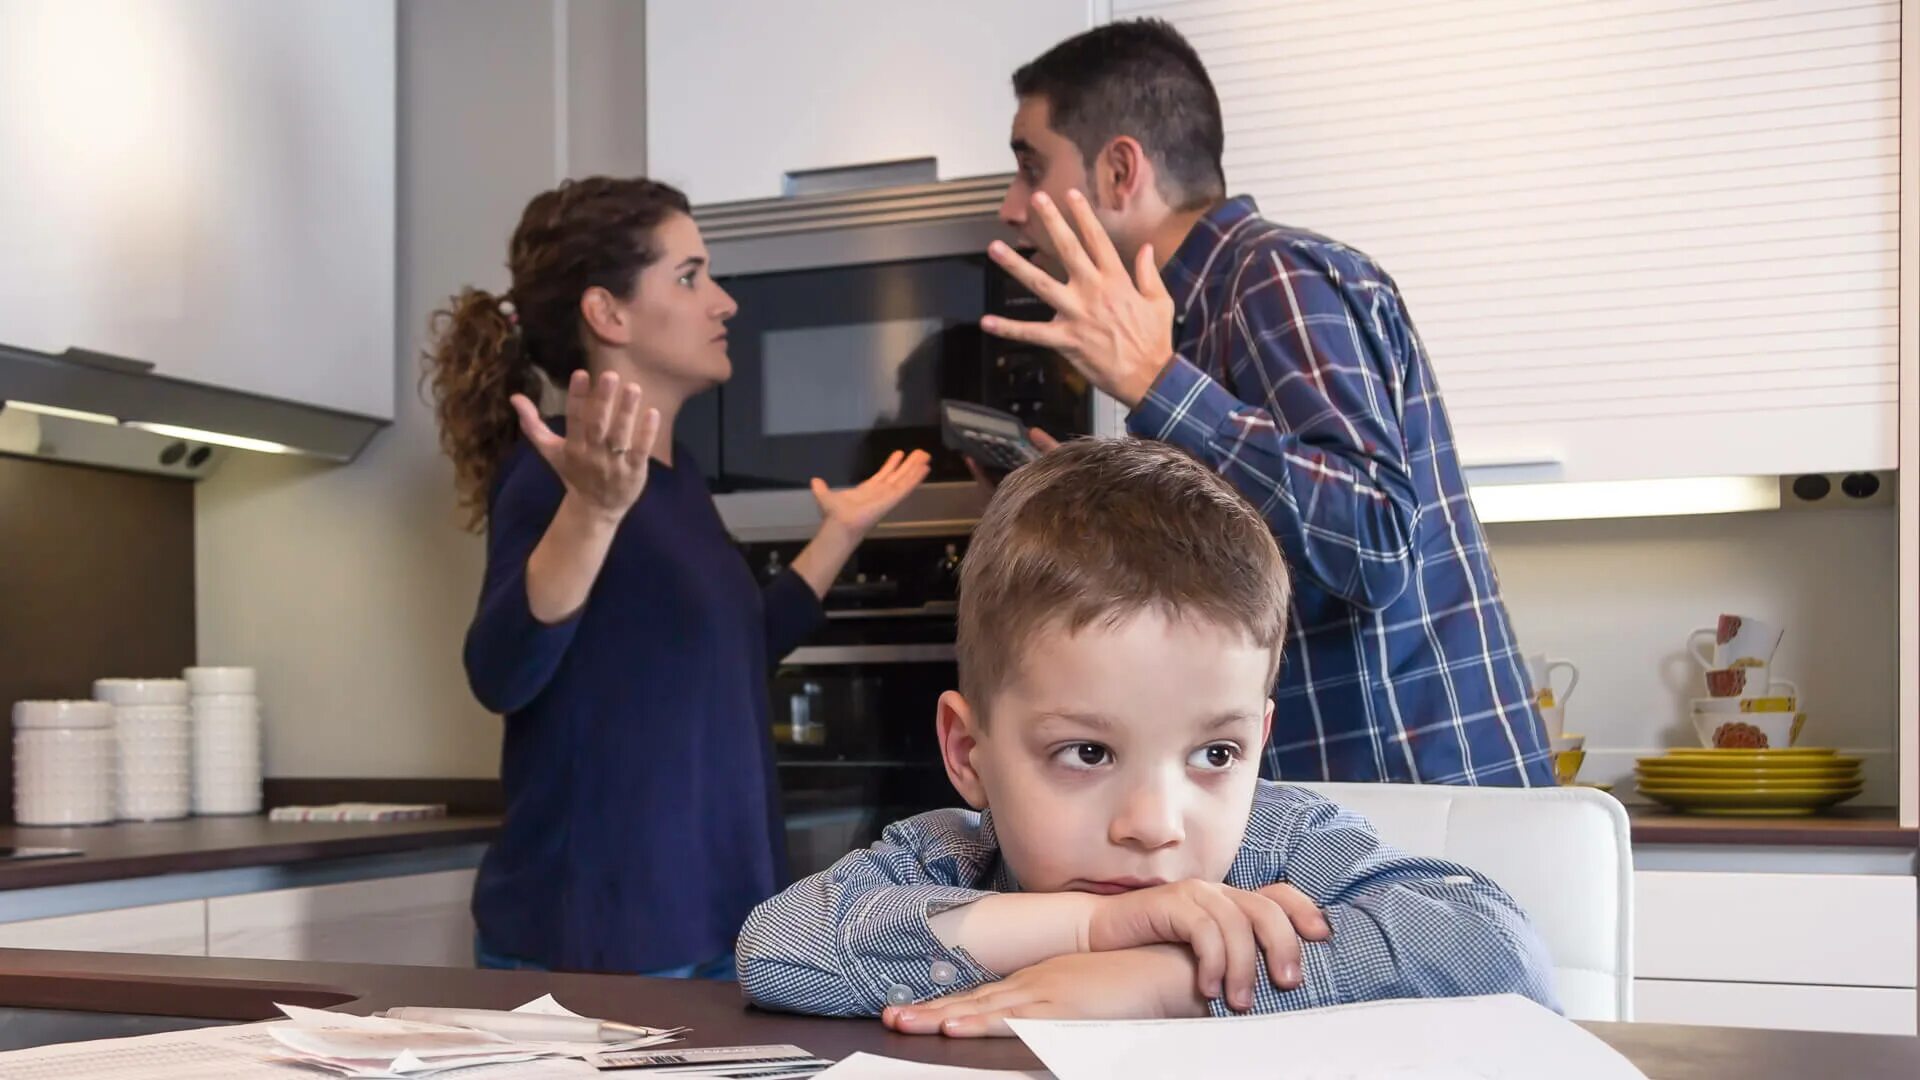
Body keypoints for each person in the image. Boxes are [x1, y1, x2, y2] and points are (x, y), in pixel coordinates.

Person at [735, 439, 1557, 1033]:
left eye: (1215, 755)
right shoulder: (950, 854)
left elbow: (1502, 948)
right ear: (967, 752)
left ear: (1259, 745)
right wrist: (1088, 933)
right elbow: (776, 947)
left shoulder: (1281, 848)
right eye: (1087, 753)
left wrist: (1170, 983)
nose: (1154, 824)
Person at [980, 20, 1552, 786]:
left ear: (1120, 171)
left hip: (1418, 806)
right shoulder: (1184, 318)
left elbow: (1375, 540)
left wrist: (1157, 384)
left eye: (1030, 167)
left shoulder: (1271, 277)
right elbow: (1245, 573)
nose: (1013, 208)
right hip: (1340, 807)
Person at [423, 176, 930, 976]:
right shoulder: (554, 473)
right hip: (605, 942)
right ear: (608, 314)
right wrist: (591, 510)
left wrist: (840, 534)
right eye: (689, 277)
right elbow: (502, 669)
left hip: (716, 922)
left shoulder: (679, 478)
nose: (723, 302)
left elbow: (733, 651)